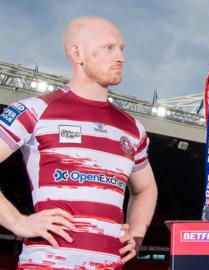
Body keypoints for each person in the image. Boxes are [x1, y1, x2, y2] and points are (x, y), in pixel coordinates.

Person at [0, 16, 157, 268]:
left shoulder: (132, 128)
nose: (121, 57)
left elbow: (146, 188)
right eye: (109, 48)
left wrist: (137, 235)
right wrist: (18, 222)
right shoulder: (35, 111)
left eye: (121, 49)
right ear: (77, 53)